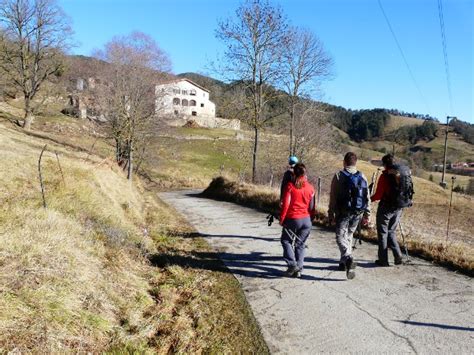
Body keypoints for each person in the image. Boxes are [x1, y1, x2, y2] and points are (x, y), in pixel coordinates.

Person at [328, 152, 370, 280]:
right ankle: (344, 263)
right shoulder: (362, 175)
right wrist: (367, 214)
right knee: (349, 235)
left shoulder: (339, 175)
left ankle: (348, 257)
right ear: (355, 162)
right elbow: (367, 196)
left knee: (340, 237)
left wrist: (331, 213)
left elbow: (333, 196)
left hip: (343, 212)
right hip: (358, 212)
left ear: (344, 162)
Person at [371, 154, 413, 266]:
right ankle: (398, 255)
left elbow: (378, 195)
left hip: (386, 207)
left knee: (383, 233)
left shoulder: (385, 176)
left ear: (384, 165)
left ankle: (383, 260)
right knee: (391, 232)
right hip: (399, 207)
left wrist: (370, 199)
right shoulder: (405, 172)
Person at [280, 163, 316, 278]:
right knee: (300, 244)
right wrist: (311, 218)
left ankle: (292, 264)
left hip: (293, 218)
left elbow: (286, 205)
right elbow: (312, 207)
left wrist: (282, 219)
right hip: (306, 220)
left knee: (286, 241)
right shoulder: (311, 188)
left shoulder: (290, 186)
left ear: (294, 173)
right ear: (305, 174)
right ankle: (299, 269)